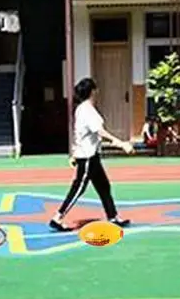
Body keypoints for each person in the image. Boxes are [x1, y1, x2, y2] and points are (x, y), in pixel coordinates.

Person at [49, 78, 134, 232]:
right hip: (87, 156)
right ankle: (58, 217)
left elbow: (79, 134)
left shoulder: (82, 109)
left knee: (103, 186)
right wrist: (121, 143)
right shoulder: (87, 110)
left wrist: (74, 153)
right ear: (93, 91)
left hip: (92, 155)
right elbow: (99, 131)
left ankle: (113, 216)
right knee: (78, 188)